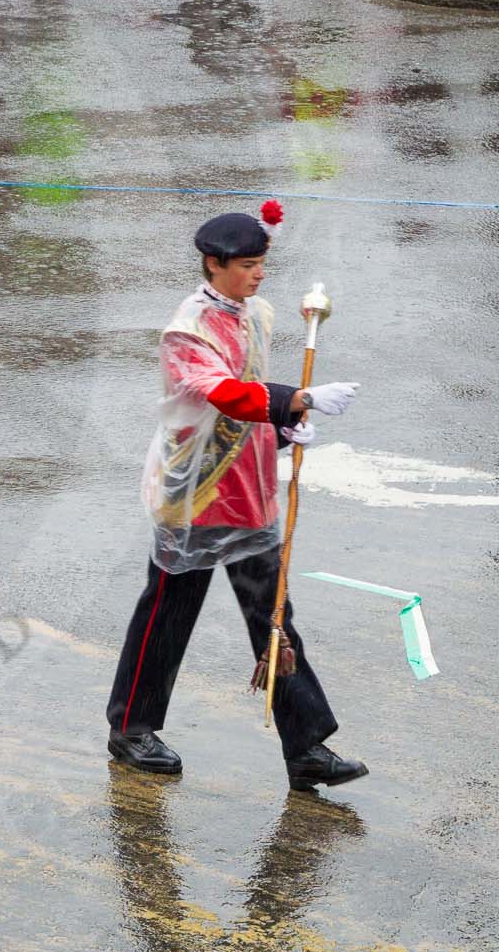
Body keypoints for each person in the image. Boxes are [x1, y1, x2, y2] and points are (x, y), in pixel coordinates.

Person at [104, 204, 369, 792]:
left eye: (262, 264)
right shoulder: (187, 330)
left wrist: (281, 430)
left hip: (246, 490)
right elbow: (225, 394)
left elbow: (249, 397)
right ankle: (131, 728)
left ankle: (306, 747)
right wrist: (294, 400)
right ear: (214, 263)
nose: (258, 275)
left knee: (275, 621)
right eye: (248, 265)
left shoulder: (257, 314)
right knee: (167, 615)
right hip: (195, 495)